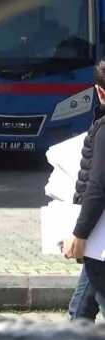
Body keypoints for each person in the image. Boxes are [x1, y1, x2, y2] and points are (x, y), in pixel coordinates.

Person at [64, 59, 105, 319]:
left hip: (101, 235)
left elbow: (98, 186)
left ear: (99, 92)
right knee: (81, 310)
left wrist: (79, 234)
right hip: (101, 239)